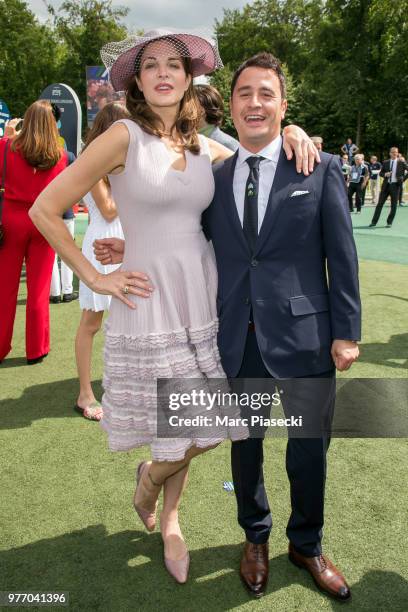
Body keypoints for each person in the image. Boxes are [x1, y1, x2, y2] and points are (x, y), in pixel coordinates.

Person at [30, 29, 318, 585]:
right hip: (148, 296)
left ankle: (161, 500)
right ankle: (164, 509)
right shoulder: (121, 136)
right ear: (138, 81)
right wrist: (94, 273)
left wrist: (295, 130)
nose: (164, 73)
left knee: (199, 421)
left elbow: (256, 151)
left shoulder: (202, 146)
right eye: (151, 66)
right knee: (191, 423)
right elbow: (47, 208)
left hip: (203, 297)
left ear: (189, 78)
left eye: (174, 66)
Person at [94, 51, 360, 601]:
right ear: (231, 107)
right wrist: (128, 246)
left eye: (267, 94)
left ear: (283, 106)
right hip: (235, 335)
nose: (254, 103)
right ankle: (255, 539)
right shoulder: (212, 174)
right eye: (244, 94)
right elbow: (184, 232)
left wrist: (346, 330)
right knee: (246, 444)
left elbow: (343, 253)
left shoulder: (320, 166)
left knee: (309, 448)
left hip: (306, 339)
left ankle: (307, 544)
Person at [0, 101, 70, 364]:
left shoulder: (6, 148)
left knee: (4, 290)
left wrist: (7, 139)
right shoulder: (60, 155)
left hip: (11, 220)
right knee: (39, 289)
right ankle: (36, 349)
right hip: (44, 221)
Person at [74, 103, 127, 422]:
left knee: (126, 319)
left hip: (124, 241)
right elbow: (107, 209)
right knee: (91, 322)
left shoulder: (120, 162)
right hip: (100, 243)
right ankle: (84, 393)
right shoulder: (93, 159)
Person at [370, 147, 408, 227]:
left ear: (397, 153)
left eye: (396, 152)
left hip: (395, 186)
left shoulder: (401, 162)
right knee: (379, 204)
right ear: (390, 153)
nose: (394, 154)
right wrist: (385, 174)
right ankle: (374, 222)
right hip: (386, 186)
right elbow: (381, 173)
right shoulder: (385, 162)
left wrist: (402, 179)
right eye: (393, 152)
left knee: (393, 205)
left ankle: (389, 222)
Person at [195, 83, 239, 151]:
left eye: (186, 105)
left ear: (201, 111)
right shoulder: (185, 143)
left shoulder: (228, 145)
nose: (181, 110)